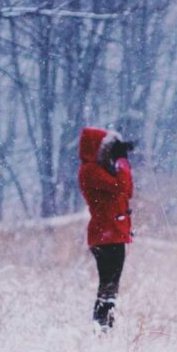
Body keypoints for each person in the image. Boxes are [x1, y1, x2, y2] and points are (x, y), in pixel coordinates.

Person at [78, 127, 134, 329]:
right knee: (108, 285)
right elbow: (121, 187)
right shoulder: (90, 171)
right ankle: (102, 328)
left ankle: (104, 327)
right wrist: (121, 162)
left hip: (112, 234)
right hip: (106, 235)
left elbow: (127, 191)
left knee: (111, 286)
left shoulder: (100, 171)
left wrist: (120, 162)